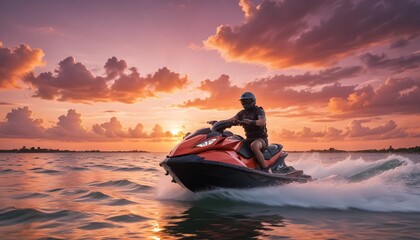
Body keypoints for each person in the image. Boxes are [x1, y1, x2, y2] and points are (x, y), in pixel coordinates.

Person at [225, 92, 272, 173]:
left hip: (261, 139)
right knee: (234, 143)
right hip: (249, 139)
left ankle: (265, 169)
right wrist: (217, 122)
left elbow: (262, 122)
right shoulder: (242, 113)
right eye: (243, 102)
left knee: (254, 146)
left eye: (247, 101)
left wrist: (251, 122)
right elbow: (230, 120)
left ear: (253, 101)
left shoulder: (258, 110)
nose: (245, 104)